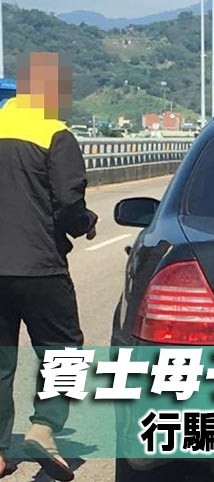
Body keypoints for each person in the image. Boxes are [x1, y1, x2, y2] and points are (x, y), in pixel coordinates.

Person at [0, 52, 97, 481]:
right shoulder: (55, 132)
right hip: (40, 267)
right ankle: (44, 427)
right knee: (64, 351)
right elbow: (69, 202)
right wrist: (85, 224)